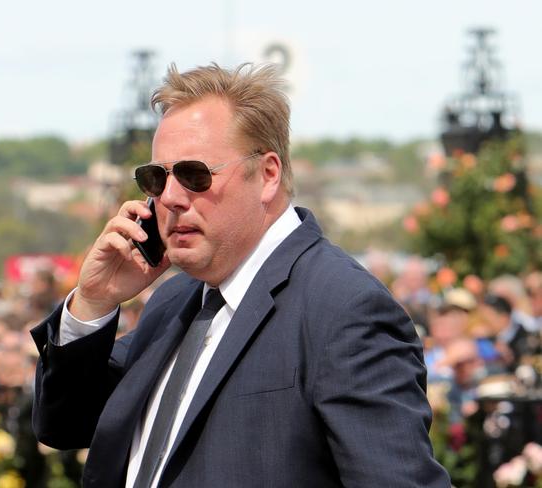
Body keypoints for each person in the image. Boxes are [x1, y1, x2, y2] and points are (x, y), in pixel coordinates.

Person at [31, 63, 450, 487]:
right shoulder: (175, 301)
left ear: (268, 175)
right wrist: (93, 303)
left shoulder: (343, 308)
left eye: (194, 175)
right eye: (156, 178)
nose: (171, 198)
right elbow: (64, 426)